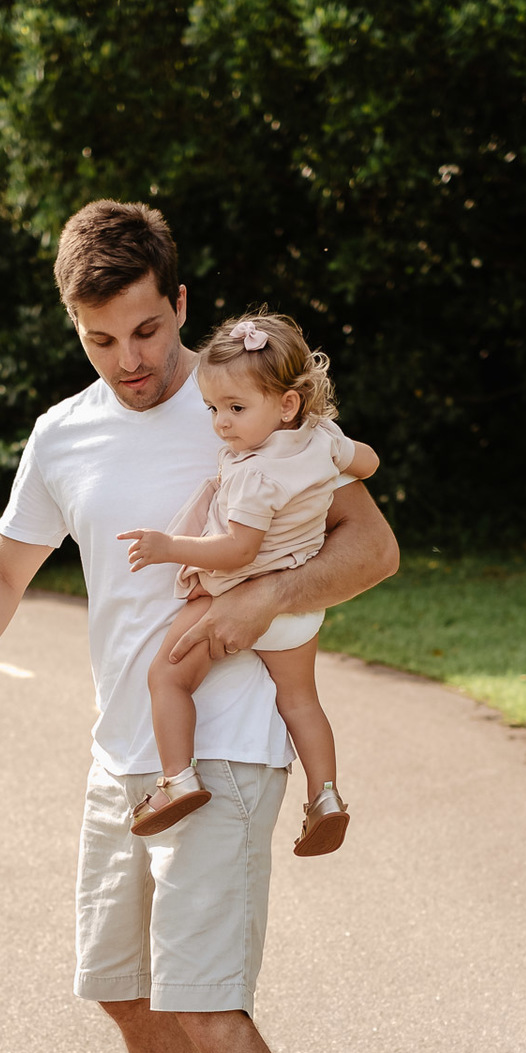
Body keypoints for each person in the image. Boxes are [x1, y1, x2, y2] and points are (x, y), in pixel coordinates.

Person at [0, 199, 398, 1053]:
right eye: (102, 340)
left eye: (145, 331)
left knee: (203, 997)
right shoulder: (65, 435)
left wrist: (261, 598)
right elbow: (5, 566)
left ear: (179, 305)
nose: (131, 362)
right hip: (122, 755)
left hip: (227, 745)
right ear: (74, 328)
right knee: (121, 985)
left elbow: (371, 547)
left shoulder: (247, 403)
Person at [118, 310, 380, 855]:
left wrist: (171, 548)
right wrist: (338, 452)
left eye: (236, 408)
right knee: (302, 702)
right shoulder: (322, 439)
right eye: (214, 408)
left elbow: (239, 549)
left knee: (167, 679)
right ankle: (326, 798)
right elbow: (370, 462)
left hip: (231, 594)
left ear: (287, 403)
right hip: (297, 610)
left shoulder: (256, 474)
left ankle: (177, 779)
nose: (222, 423)